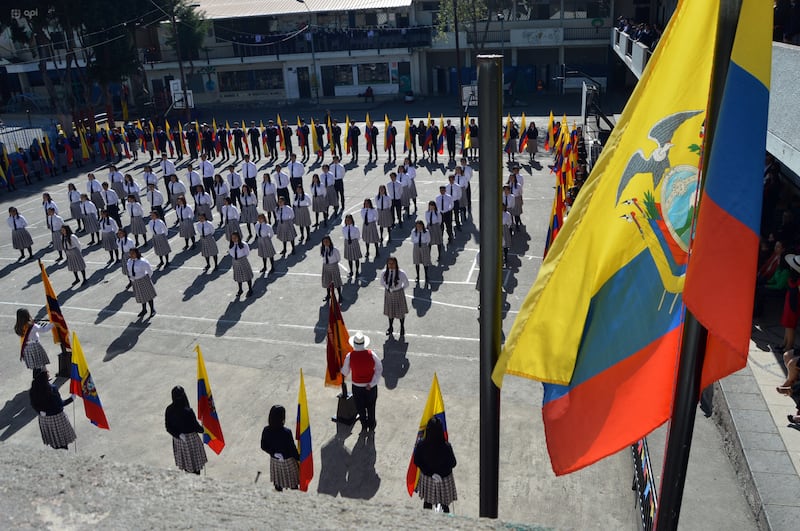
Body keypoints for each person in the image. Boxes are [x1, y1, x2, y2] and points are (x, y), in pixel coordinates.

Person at [413, 417, 457, 513]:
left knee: (427, 503)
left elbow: (416, 461)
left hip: (428, 479)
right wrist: (441, 473)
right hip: (444, 480)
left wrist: (430, 473)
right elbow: (453, 463)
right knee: (444, 505)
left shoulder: (421, 445)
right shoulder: (446, 447)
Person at [341, 331, 382, 432]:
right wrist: (372, 383)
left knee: (360, 408)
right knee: (371, 407)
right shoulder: (371, 354)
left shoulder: (350, 356)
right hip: (370, 387)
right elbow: (379, 369)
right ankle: (372, 424)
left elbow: (345, 371)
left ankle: (364, 425)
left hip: (357, 387)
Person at [29, 369, 76, 450]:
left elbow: (33, 404)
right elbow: (59, 404)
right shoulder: (52, 389)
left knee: (53, 439)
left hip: (44, 419)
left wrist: (39, 411)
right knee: (62, 441)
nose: (48, 374)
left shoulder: (33, 390)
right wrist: (71, 399)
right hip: (57, 418)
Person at [164, 386, 207, 474]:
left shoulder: (169, 409)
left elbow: (168, 427)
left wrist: (178, 434)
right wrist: (204, 429)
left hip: (179, 441)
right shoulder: (188, 411)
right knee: (195, 466)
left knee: (186, 465)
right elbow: (196, 427)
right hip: (191, 440)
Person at [260, 404, 301, 491]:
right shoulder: (286, 432)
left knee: (278, 481)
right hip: (288, 461)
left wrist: (273, 453)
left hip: (275, 460)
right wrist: (299, 458)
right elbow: (292, 449)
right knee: (293, 483)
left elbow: (263, 446)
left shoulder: (266, 430)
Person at [381, 256, 410, 336]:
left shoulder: (401, 273)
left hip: (398, 293)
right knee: (390, 311)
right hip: (389, 293)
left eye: (393, 263)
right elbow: (382, 282)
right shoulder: (384, 272)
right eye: (389, 263)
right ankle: (390, 327)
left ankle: (402, 327)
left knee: (400, 312)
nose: (391, 265)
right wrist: (387, 288)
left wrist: (399, 290)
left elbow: (406, 284)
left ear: (396, 263)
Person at [127, 247, 157, 317]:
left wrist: (146, 278)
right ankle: (144, 310)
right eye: (130, 253)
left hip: (143, 279)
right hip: (135, 281)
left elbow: (150, 271)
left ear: (137, 253)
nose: (131, 255)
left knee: (148, 295)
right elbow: (130, 271)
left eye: (133, 253)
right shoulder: (129, 261)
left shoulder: (142, 261)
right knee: (141, 296)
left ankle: (152, 309)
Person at [229, 231, 254, 297]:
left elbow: (247, 252)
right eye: (232, 238)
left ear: (238, 237)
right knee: (238, 276)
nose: (234, 239)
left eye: (235, 237)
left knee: (247, 275)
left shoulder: (243, 244)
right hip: (235, 261)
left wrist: (242, 258)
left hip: (242, 260)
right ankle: (240, 289)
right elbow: (231, 252)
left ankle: (250, 289)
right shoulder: (231, 244)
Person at [320, 235, 343, 301]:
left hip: (333, 266)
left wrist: (334, 264)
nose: (326, 243)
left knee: (337, 281)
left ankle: (340, 295)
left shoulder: (335, 250)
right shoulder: (322, 249)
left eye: (327, 241)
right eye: (324, 242)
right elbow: (323, 257)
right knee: (327, 281)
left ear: (330, 241)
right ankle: (328, 295)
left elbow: (338, 258)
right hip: (326, 266)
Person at [342, 214, 362, 279]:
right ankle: (351, 271)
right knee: (349, 258)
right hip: (347, 242)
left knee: (356, 258)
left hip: (354, 242)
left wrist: (354, 241)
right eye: (346, 220)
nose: (348, 221)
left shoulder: (355, 228)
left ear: (352, 220)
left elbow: (358, 236)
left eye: (349, 220)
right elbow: (344, 235)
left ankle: (357, 271)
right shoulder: (344, 228)